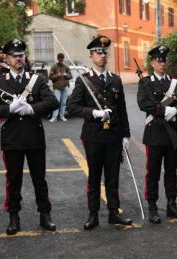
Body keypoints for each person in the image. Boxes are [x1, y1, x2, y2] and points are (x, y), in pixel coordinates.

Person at [0, 39, 59, 235]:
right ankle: (13, 217)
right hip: (12, 139)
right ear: (7, 59)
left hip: (34, 137)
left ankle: (45, 215)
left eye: (21, 55)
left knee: (39, 179)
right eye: (14, 56)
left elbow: (53, 102)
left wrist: (32, 109)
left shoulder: (37, 80)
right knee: (13, 180)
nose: (19, 58)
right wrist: (9, 108)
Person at [66, 35, 132, 230]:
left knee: (113, 176)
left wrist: (126, 135)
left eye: (105, 52)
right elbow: (72, 107)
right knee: (94, 176)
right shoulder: (84, 81)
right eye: (98, 52)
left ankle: (114, 213)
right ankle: (93, 214)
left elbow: (122, 109)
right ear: (91, 56)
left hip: (113, 136)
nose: (103, 55)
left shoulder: (115, 80)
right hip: (93, 136)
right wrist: (94, 113)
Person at [137, 45, 177, 223]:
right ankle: (153, 206)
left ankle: (172, 204)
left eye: (164, 60)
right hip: (154, 133)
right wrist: (163, 111)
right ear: (152, 62)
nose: (162, 63)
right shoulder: (145, 82)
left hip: (172, 133)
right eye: (159, 60)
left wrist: (176, 110)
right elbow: (143, 104)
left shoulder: (175, 83)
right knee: (153, 171)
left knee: (172, 171)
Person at [49, 53, 72, 122]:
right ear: (58, 58)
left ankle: (62, 116)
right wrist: (57, 75)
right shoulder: (54, 66)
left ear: (63, 59)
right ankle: (54, 117)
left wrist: (66, 75)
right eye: (60, 58)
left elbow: (71, 76)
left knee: (64, 103)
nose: (61, 60)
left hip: (64, 87)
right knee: (56, 102)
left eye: (62, 59)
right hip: (57, 88)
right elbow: (50, 77)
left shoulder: (66, 67)